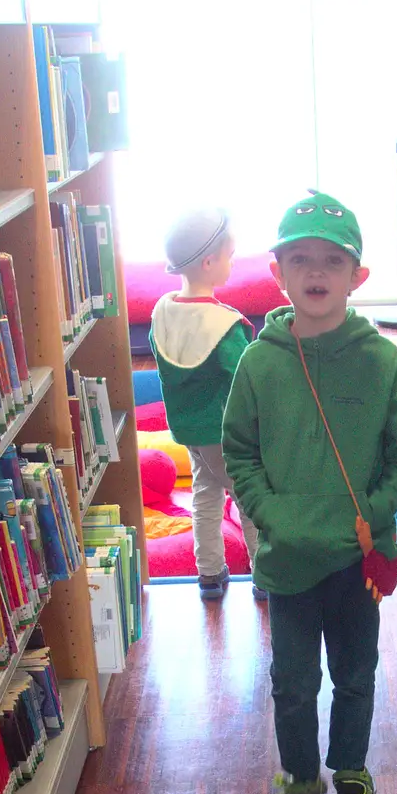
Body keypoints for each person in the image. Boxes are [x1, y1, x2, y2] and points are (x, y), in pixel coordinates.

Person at [223, 190, 397, 794]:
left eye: (333, 261)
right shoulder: (258, 364)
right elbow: (239, 450)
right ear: (278, 271)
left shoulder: (381, 362)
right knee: (291, 684)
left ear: (357, 276)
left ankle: (350, 773)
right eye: (302, 259)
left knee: (355, 673)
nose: (317, 272)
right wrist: (269, 513)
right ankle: (300, 777)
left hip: (353, 558)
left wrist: (366, 513)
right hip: (287, 559)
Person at [151, 207, 261, 600]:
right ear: (210, 262)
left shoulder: (163, 311)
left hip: (189, 431)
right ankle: (265, 574)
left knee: (205, 497)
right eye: (230, 256)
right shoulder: (224, 325)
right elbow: (247, 378)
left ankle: (210, 574)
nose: (233, 263)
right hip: (226, 433)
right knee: (250, 500)